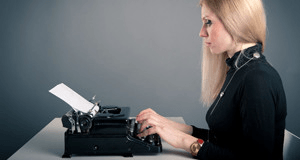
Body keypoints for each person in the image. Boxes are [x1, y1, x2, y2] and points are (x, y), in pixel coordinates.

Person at [136, 0, 287, 160]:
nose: (201, 33)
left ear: (235, 21)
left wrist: (184, 141)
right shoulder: (240, 69)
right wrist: (171, 126)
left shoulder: (257, 78)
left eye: (208, 22)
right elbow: (225, 140)